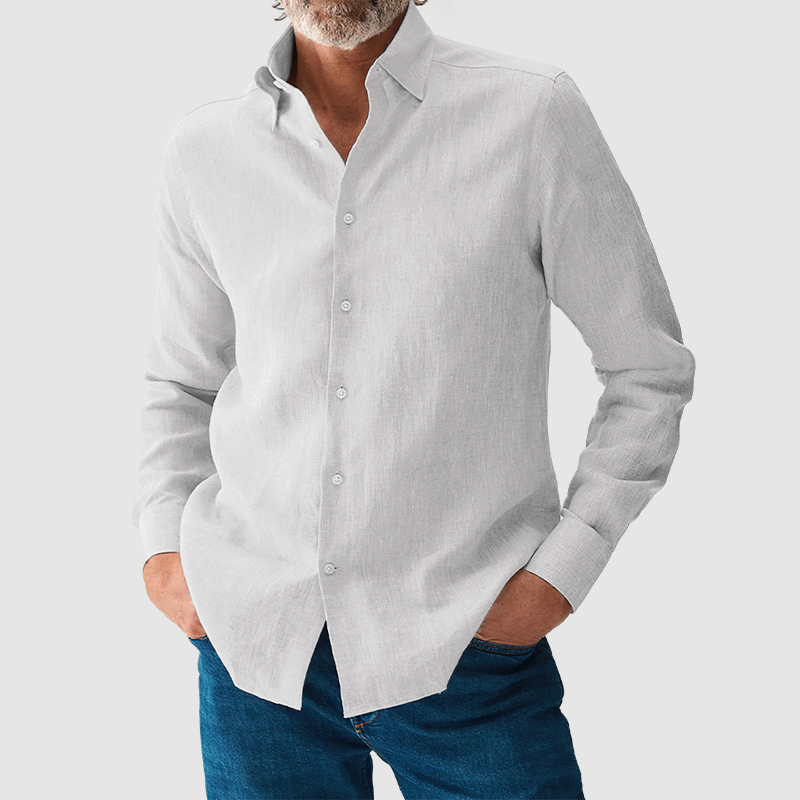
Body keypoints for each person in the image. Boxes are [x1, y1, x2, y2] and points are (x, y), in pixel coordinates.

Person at [133, 1, 696, 797]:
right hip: (257, 651)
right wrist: (164, 553)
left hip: (467, 647)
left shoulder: (530, 114)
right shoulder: (205, 151)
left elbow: (647, 367)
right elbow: (181, 379)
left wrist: (561, 573)